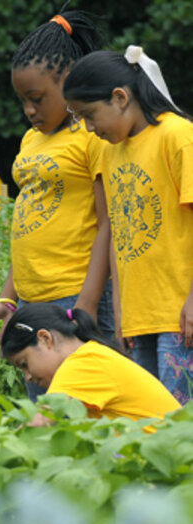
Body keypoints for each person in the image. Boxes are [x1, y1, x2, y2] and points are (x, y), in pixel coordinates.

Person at [0, 11, 114, 404]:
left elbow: (108, 223)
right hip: (31, 302)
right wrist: (8, 298)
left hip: (75, 297)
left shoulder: (93, 136)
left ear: (69, 81)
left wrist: (86, 305)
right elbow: (30, 225)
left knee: (82, 414)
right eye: (22, 100)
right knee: (45, 415)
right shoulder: (30, 141)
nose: (29, 110)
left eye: (36, 99)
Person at [63, 46, 193, 405]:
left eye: (90, 115)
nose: (89, 128)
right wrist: (121, 312)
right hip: (138, 319)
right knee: (150, 426)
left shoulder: (178, 135)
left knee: (180, 429)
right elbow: (120, 234)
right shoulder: (109, 151)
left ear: (120, 97)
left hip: (180, 316)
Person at [1, 304, 181, 428]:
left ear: (45, 339)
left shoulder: (81, 364)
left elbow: (38, 425)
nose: (28, 377)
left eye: (24, 364)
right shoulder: (91, 354)